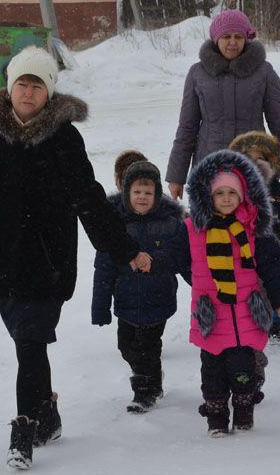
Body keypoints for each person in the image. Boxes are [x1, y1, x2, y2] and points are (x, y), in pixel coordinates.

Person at [0, 46, 151, 470]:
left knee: (29, 342)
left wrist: (125, 249)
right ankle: (49, 413)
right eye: (22, 82)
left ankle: (22, 433)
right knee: (30, 346)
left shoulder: (64, 139)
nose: (28, 91)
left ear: (49, 91)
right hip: (2, 263)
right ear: (10, 87)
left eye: (37, 84)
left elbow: (90, 200)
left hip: (49, 262)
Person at [165, 150, 280, 437]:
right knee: (211, 374)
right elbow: (171, 256)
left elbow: (273, 268)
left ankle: (244, 410)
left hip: (245, 313)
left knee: (243, 371)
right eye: (219, 193)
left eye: (232, 193)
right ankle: (216, 419)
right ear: (208, 197)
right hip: (211, 314)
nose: (225, 198)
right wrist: (148, 262)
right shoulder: (192, 229)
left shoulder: (254, 230)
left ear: (243, 195)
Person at [166, 9, 280, 200]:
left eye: (238, 36)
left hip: (252, 167)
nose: (232, 42)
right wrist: (176, 177)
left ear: (246, 38)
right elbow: (187, 128)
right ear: (216, 39)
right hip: (210, 166)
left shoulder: (264, 72)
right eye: (226, 36)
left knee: (251, 226)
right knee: (211, 228)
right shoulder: (197, 73)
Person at [91, 161, 190, 413]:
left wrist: (203, 288)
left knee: (147, 347)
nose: (142, 197)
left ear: (157, 195)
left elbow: (182, 259)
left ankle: (143, 393)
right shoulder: (115, 225)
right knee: (126, 346)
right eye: (137, 192)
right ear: (126, 193)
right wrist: (100, 307)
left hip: (159, 298)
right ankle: (153, 380)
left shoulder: (170, 222)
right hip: (125, 300)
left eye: (148, 193)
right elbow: (104, 268)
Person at [229, 131, 280, 344]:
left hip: (277, 256)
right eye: (249, 159)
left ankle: (277, 325)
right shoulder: (235, 194)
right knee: (251, 292)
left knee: (276, 288)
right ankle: (251, 323)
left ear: (273, 162)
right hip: (245, 257)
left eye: (261, 158)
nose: (255, 164)